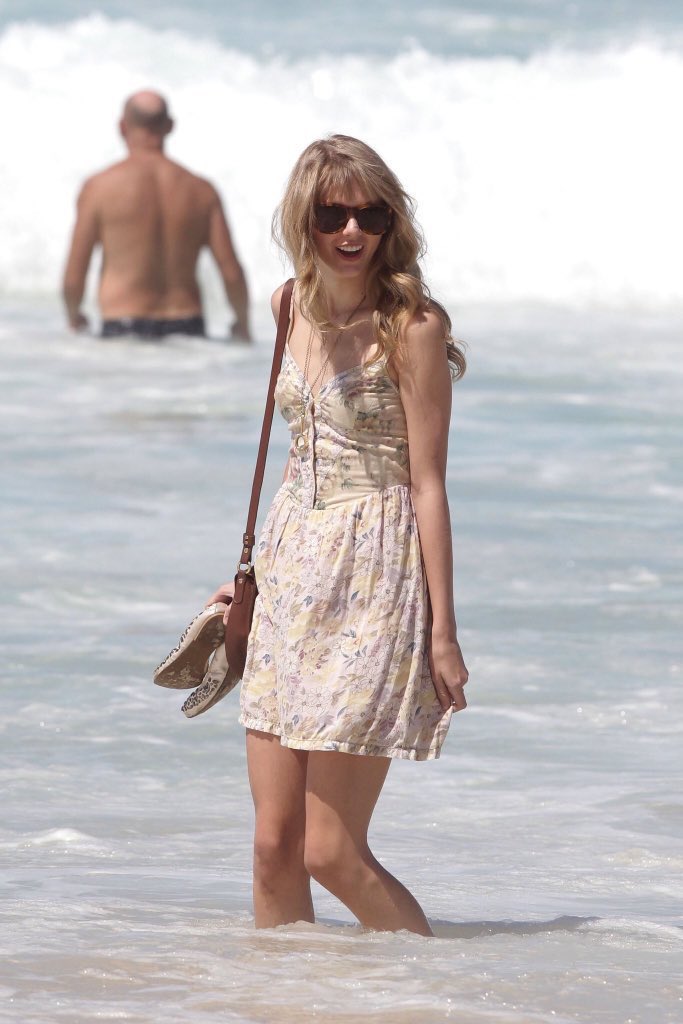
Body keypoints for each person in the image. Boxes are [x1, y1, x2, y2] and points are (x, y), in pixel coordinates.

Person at [208, 134, 468, 935]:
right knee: (271, 845)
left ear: (391, 222)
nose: (351, 231)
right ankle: (291, 1005)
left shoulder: (411, 326)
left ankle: (436, 998)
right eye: (332, 214)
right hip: (292, 575)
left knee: (330, 850)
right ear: (304, 219)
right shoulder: (289, 303)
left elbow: (428, 483)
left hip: (374, 579)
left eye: (370, 213)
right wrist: (246, 577)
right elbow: (294, 455)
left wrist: (443, 633)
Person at [62, 90, 251, 341]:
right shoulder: (201, 190)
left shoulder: (98, 188)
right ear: (170, 126)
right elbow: (231, 272)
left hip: (123, 329)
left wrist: (74, 316)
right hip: (188, 329)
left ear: (122, 126)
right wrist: (243, 324)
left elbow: (75, 274)